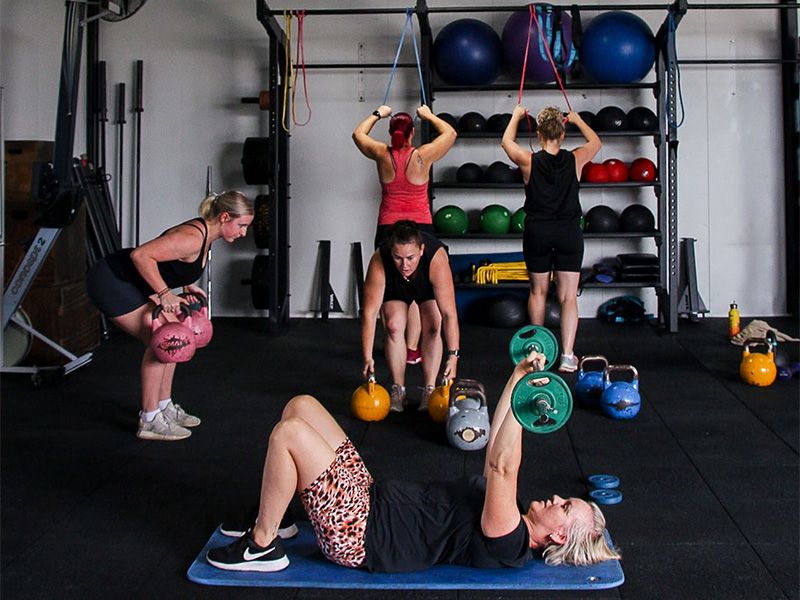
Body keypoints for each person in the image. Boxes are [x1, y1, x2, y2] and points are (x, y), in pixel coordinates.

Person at [205, 351, 621, 574]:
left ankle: (261, 546)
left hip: (363, 533)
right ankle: (277, 516)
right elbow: (495, 449)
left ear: (559, 539)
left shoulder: (509, 542)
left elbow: (502, 467)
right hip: (368, 495)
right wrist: (517, 380)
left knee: (288, 435)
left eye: (565, 506)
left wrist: (526, 405)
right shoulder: (511, 514)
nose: (555, 498)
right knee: (301, 407)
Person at [86, 190, 254, 441]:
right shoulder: (192, 238)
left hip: (130, 281)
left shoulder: (206, 235)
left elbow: (171, 260)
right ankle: (150, 419)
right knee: (164, 341)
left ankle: (164, 407)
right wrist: (165, 293)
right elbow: (140, 255)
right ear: (225, 217)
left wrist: (185, 285)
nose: (243, 233)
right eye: (241, 226)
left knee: (177, 335)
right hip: (112, 280)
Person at [352, 105, 457, 368]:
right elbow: (451, 133)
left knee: (398, 286)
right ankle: (412, 348)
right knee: (418, 287)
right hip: (421, 229)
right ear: (412, 134)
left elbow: (357, 134)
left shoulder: (381, 154)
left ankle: (403, 345)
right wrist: (430, 115)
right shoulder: (422, 155)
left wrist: (378, 113)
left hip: (388, 229)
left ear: (391, 133)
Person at [500, 105, 601, 373]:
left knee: (538, 292)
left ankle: (537, 354)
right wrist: (579, 119)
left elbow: (505, 142)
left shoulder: (528, 160)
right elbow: (596, 142)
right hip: (568, 232)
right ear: (563, 134)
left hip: (538, 232)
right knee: (568, 297)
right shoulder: (576, 159)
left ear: (538, 133)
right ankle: (567, 356)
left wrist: (516, 115)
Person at [361, 220, 459, 412]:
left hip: (426, 285)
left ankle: (429, 390)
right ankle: (399, 389)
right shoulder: (380, 260)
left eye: (410, 258)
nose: (405, 264)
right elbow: (369, 314)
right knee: (393, 325)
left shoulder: (436, 259)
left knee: (433, 324)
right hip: (396, 287)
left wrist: (453, 356)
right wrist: (367, 357)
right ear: (391, 252)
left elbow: (450, 314)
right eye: (398, 258)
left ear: (421, 250)